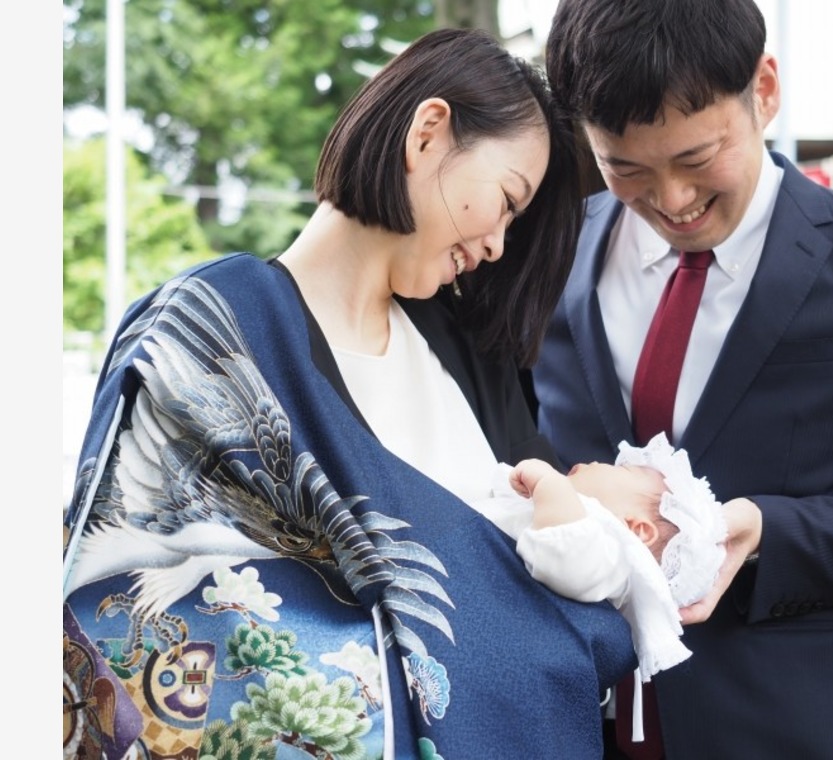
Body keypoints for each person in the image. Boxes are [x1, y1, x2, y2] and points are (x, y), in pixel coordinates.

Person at [61, 28, 636, 760]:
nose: (498, 244)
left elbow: (553, 571)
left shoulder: (473, 358)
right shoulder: (212, 329)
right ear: (428, 133)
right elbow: (119, 584)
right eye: (507, 201)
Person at [529, 1, 833, 758]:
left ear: (766, 90)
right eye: (627, 169)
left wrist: (763, 532)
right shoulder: (544, 253)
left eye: (696, 159)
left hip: (785, 729)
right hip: (561, 723)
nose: (672, 202)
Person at [470, 432, 727, 684]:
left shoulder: (613, 555)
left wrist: (548, 483)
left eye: (622, 470)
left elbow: (562, 554)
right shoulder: (581, 520)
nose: (598, 463)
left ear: (638, 529)